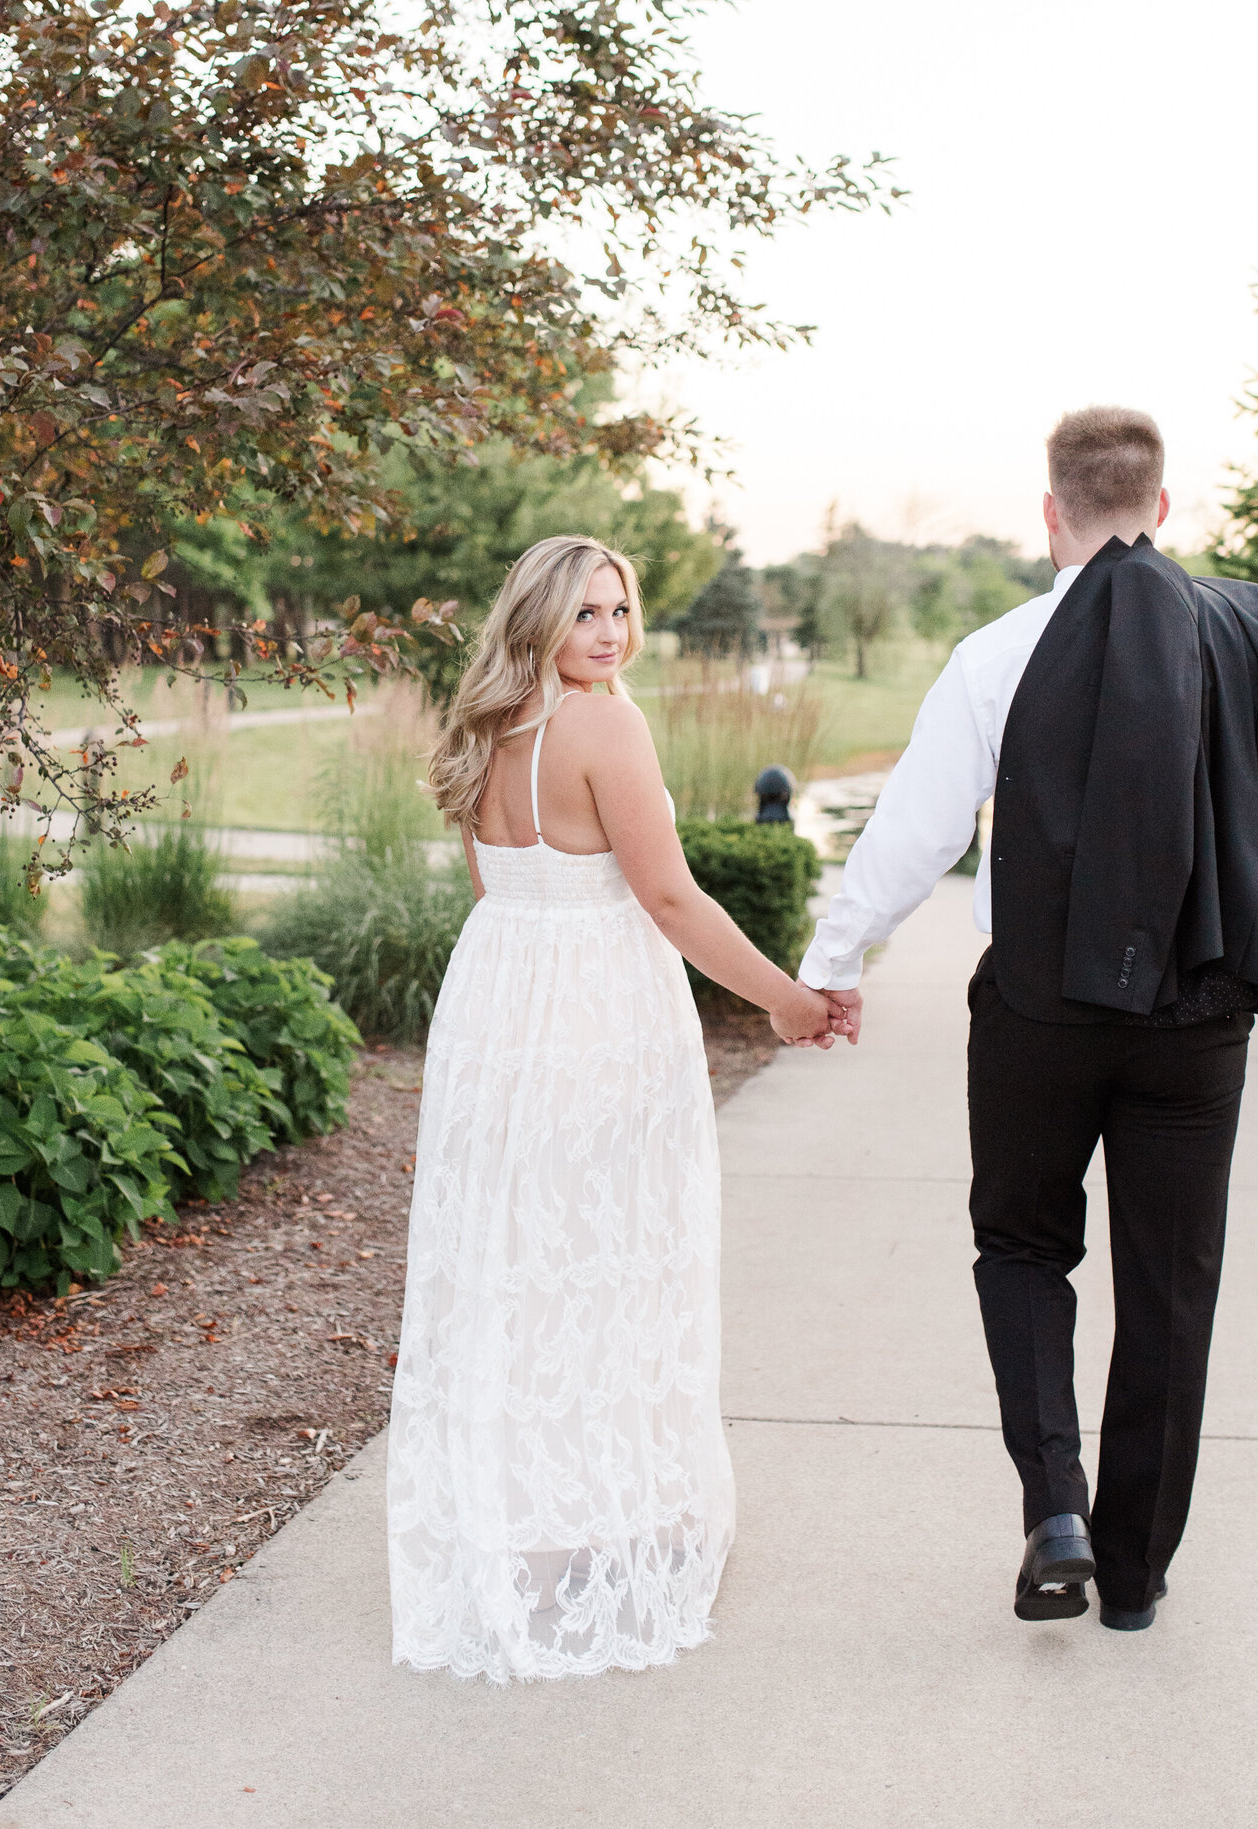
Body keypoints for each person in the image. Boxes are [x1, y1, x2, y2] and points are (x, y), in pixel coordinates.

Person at [803, 408, 1258, 1632]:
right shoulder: (1246, 638)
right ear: (1164, 506)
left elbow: (920, 834)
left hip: (1041, 1004)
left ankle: (1055, 1506)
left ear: (1050, 512)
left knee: (1023, 1247)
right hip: (1198, 1020)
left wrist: (835, 964)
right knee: (1170, 1286)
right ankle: (1134, 1576)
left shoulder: (999, 652)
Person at [387, 534, 842, 1683]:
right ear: (537, 618)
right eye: (585, 613)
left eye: (619, 609)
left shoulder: (488, 727)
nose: (608, 633)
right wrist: (787, 1000)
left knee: (520, 1264)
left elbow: (495, 886)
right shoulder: (603, 725)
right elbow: (670, 896)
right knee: (613, 1252)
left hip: (498, 1006)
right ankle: (594, 1521)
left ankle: (529, 1524)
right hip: (595, 1013)